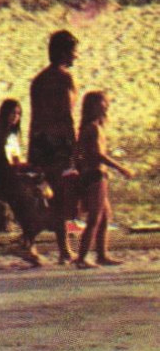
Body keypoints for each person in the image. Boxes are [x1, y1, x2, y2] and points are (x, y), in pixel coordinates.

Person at [26, 29, 80, 264]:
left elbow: (35, 117)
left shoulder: (39, 80)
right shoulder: (64, 79)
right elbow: (67, 116)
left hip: (40, 143)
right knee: (64, 198)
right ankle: (34, 240)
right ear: (62, 52)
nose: (76, 57)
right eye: (73, 52)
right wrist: (75, 147)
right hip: (59, 144)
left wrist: (32, 150)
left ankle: (64, 248)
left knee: (52, 197)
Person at [71, 90, 133, 268]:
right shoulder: (94, 128)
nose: (106, 106)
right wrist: (121, 168)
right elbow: (98, 154)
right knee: (95, 218)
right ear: (94, 106)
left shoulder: (87, 128)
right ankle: (82, 258)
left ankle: (102, 254)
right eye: (103, 103)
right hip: (96, 175)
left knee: (105, 217)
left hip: (90, 174)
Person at [0, 98, 25, 166]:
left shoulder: (12, 137)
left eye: (18, 114)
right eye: (13, 112)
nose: (16, 116)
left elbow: (16, 160)